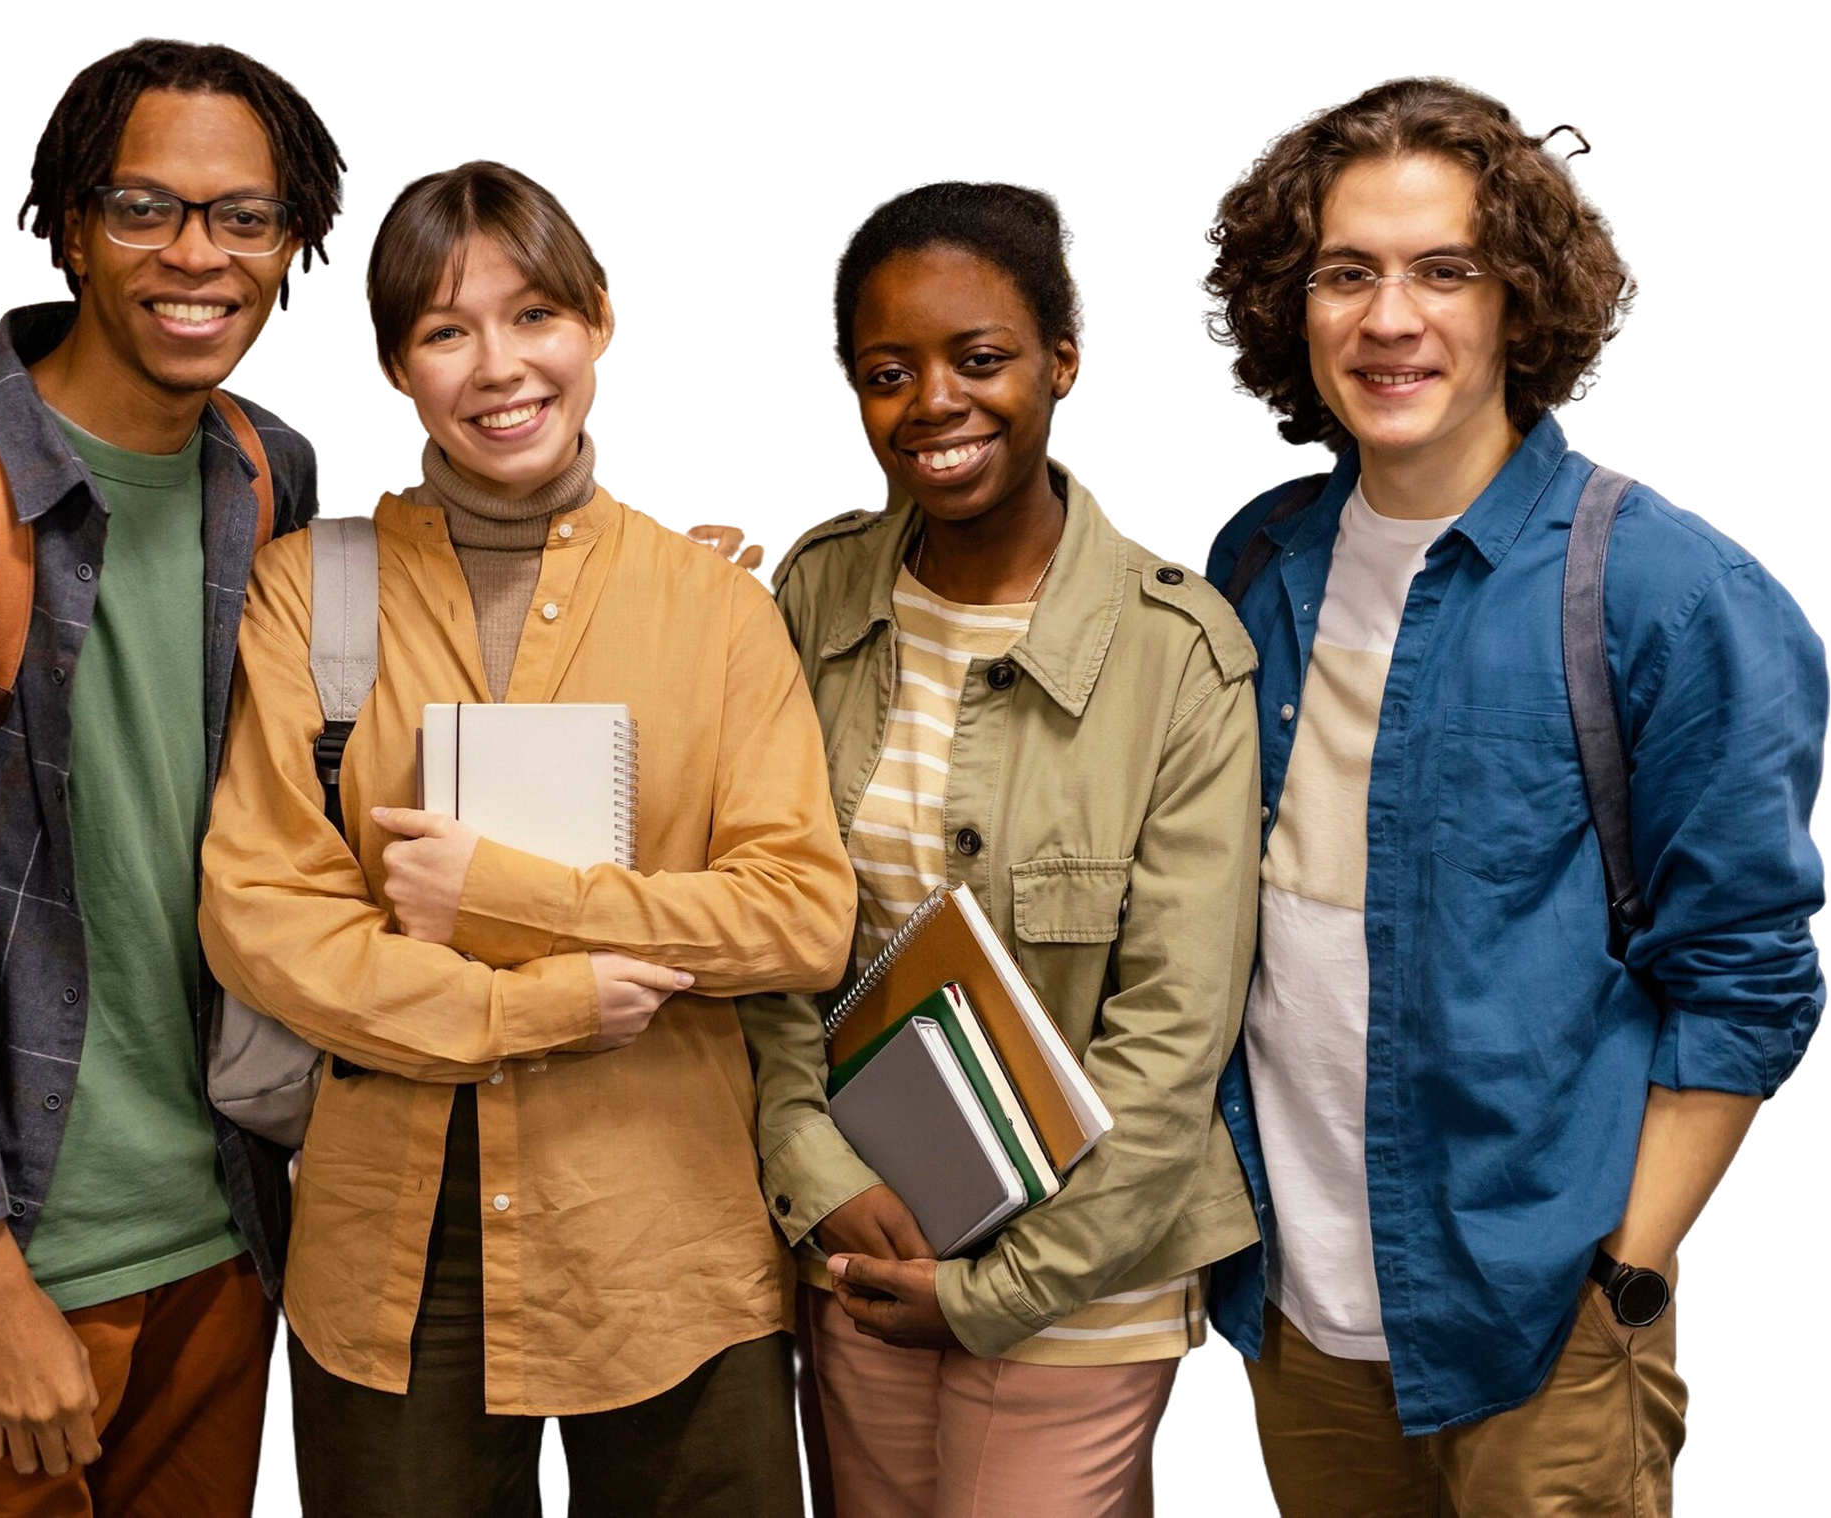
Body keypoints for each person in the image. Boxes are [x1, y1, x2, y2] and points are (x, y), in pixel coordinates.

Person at [1199, 75, 1827, 1514]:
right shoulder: (1255, 559)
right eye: (1344, 273)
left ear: (1522, 302)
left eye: (1444, 270)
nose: (1388, 317)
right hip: (1293, 1313)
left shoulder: (1669, 593)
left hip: (1537, 1326)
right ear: (1286, 307)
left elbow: (1748, 977)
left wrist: (1630, 1267)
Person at [195, 158, 854, 1518]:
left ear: (599, 320)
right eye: (445, 330)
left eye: (534, 315)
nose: (499, 366)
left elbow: (801, 913)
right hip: (390, 1256)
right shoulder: (310, 589)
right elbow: (260, 918)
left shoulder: (715, 603)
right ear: (393, 365)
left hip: (664, 1251)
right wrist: (552, 999)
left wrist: (505, 893)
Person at [0, 36, 345, 1516]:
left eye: (242, 216)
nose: (195, 255)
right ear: (71, 227)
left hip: (219, 1230)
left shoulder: (268, 469)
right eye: (145, 208)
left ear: (294, 245)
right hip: (4, 1253)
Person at [745, 179, 1263, 1517]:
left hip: (1081, 1280)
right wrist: (818, 1173)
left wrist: (1000, 1287)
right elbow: (773, 930)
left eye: (979, 359)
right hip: (860, 1244)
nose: (933, 403)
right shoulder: (808, 593)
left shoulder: (1178, 650)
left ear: (1062, 358)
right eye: (885, 371)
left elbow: (1171, 1035)